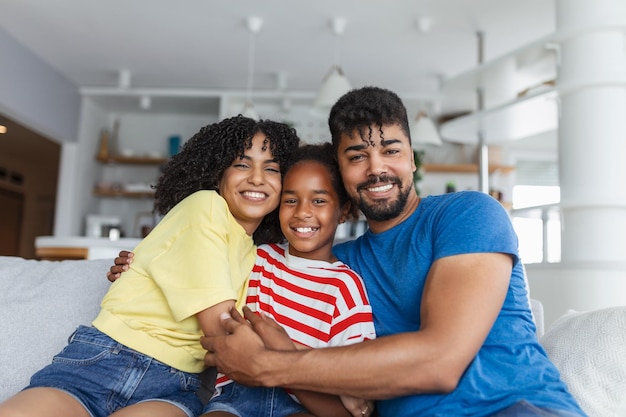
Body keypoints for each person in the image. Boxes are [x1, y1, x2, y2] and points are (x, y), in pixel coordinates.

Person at [200, 87, 587, 417]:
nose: (376, 168)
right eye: (356, 156)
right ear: (340, 172)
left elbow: (440, 362)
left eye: (391, 150)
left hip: (513, 408)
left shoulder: (468, 214)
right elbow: (223, 265)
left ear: (412, 158)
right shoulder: (336, 268)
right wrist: (141, 264)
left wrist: (269, 366)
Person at [0, 116, 300, 417]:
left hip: (172, 386)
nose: (258, 178)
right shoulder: (205, 206)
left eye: (271, 168)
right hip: (101, 362)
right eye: (242, 164)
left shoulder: (253, 252)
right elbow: (221, 329)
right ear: (218, 173)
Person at [109, 143, 377, 417]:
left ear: (344, 211)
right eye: (290, 200)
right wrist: (134, 266)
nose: (302, 212)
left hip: (300, 405)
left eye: (319, 200)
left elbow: (351, 396)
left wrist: (286, 360)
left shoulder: (345, 286)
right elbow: (191, 263)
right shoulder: (255, 258)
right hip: (234, 399)